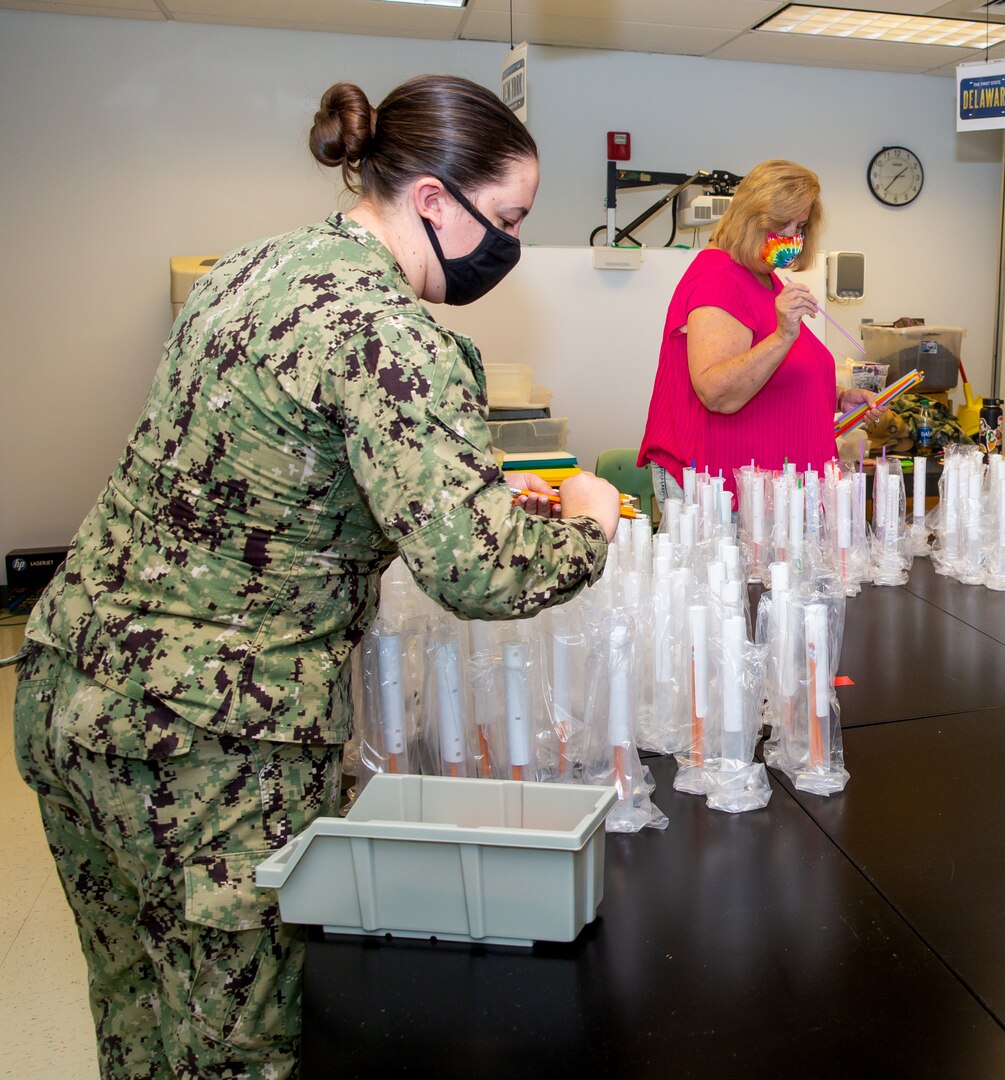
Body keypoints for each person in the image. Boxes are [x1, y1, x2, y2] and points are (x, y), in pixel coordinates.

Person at [11, 74, 623, 1078]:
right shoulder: (393, 331)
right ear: (434, 200)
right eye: (506, 221)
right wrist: (590, 523)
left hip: (71, 690)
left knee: (135, 1008)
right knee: (240, 1048)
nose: (507, 248)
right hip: (209, 743)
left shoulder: (254, 265)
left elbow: (277, 463)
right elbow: (479, 572)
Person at [636, 159, 878, 503]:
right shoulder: (719, 277)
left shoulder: (762, 277)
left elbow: (769, 374)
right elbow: (717, 391)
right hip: (724, 493)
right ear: (751, 218)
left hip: (770, 495)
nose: (792, 236)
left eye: (801, 226)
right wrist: (783, 335)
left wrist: (836, 396)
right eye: (782, 223)